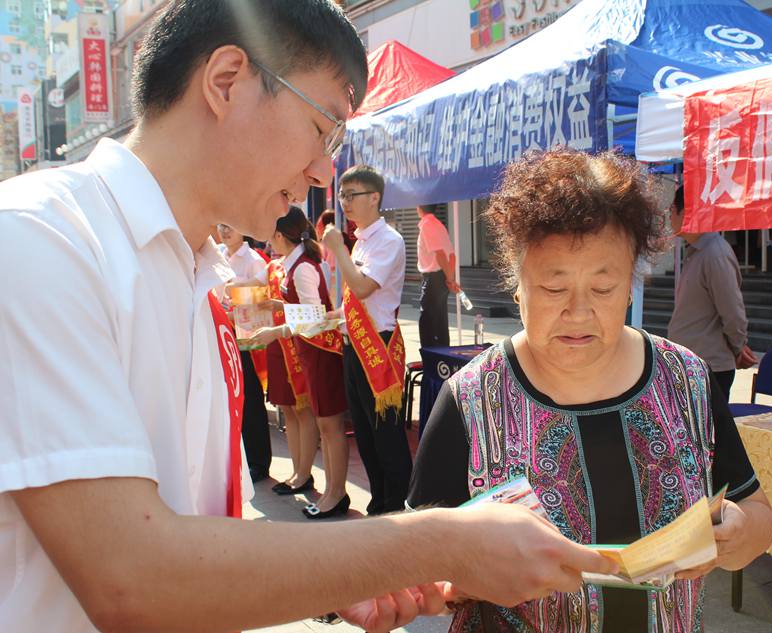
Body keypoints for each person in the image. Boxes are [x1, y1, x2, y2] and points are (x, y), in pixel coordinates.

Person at [0, 3, 618, 632]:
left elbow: (206, 537)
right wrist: (443, 540)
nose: (325, 171)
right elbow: (128, 577)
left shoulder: (201, 280)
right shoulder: (40, 239)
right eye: (323, 130)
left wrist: (335, 577)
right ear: (226, 81)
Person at [408, 149, 772, 633]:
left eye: (603, 289)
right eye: (554, 288)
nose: (579, 313)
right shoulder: (471, 401)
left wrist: (739, 533)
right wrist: (465, 579)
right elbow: (418, 571)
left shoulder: (685, 380)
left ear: (630, 286)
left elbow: (757, 514)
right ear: (517, 284)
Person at [321, 164, 414, 516]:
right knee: (363, 432)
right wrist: (336, 318)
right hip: (353, 345)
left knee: (385, 434)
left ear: (374, 198)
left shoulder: (387, 240)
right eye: (342, 195)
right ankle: (379, 504)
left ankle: (397, 506)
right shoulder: (361, 241)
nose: (345, 202)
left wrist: (337, 248)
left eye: (352, 195)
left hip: (378, 347)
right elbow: (357, 300)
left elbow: (363, 288)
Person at [249, 207, 351, 518]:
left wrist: (275, 330)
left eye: (271, 234)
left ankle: (336, 493)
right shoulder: (296, 264)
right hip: (310, 350)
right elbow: (304, 311)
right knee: (323, 424)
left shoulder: (304, 267)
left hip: (320, 350)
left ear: (280, 235)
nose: (269, 241)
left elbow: (314, 316)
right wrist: (279, 305)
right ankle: (332, 492)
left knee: (329, 425)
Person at [668, 184, 758, 400]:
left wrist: (738, 346)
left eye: (671, 210)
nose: (669, 217)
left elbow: (732, 310)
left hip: (709, 367)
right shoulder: (696, 252)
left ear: (686, 212)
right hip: (688, 363)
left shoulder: (714, 253)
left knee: (708, 432)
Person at [216, 223, 272, 482]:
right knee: (227, 401)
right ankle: (236, 459)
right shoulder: (216, 254)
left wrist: (234, 310)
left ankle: (258, 462)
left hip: (245, 340)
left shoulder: (253, 261)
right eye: (221, 226)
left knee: (249, 400)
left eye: (230, 226)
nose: (225, 231)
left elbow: (261, 303)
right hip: (219, 335)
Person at [416, 203, 460, 348]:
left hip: (433, 278)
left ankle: (432, 361)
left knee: (428, 323)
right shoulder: (439, 225)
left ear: (419, 207)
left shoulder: (427, 225)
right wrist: (450, 278)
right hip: (440, 277)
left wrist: (450, 279)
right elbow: (451, 256)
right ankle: (441, 359)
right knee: (439, 321)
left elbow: (440, 254)